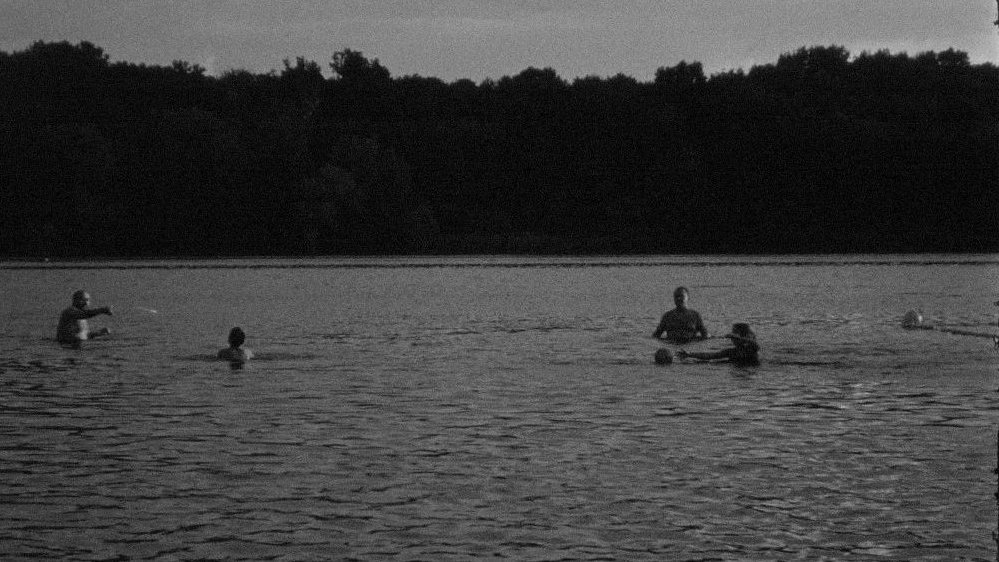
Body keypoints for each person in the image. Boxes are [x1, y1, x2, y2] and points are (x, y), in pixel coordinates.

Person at [677, 323, 759, 366]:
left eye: (735, 334)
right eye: (732, 335)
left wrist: (737, 338)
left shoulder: (752, 348)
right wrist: (690, 354)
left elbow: (754, 343)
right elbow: (711, 356)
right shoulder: (731, 352)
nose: (732, 339)